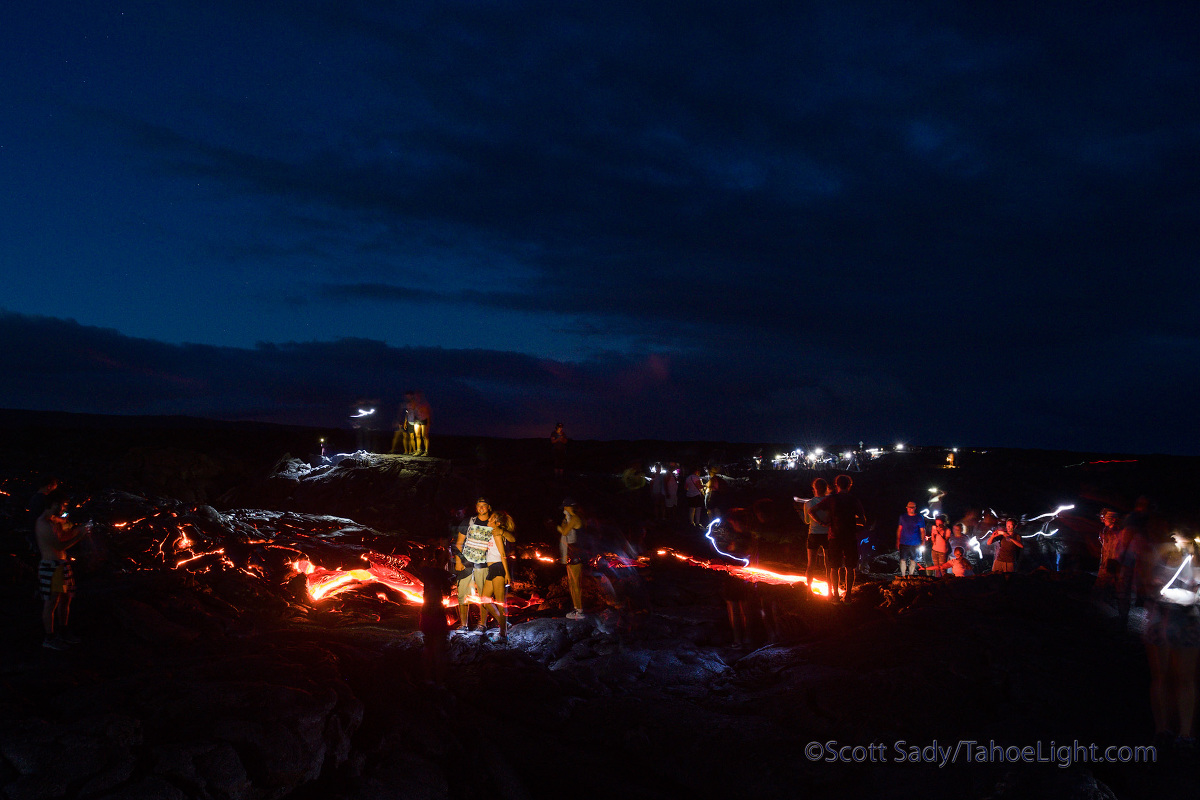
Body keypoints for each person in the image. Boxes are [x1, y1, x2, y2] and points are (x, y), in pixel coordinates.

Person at [1144, 530, 1200, 750]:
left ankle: (1181, 732)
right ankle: (1164, 730)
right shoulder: (1159, 551)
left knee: (1183, 678)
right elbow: (1148, 583)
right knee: (1161, 676)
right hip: (1163, 620)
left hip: (1185, 622)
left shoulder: (1189, 554)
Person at [35, 491, 92, 649]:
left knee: (66, 599)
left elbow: (62, 537)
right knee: (51, 602)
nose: (64, 508)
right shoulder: (43, 524)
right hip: (52, 567)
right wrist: (79, 536)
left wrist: (75, 530)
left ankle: (63, 631)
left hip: (62, 564)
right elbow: (59, 546)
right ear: (54, 504)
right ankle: (49, 638)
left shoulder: (54, 521)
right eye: (63, 505)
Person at [453, 498, 495, 631]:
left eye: (484, 505)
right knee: (462, 595)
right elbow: (458, 543)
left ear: (489, 507)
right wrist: (459, 560)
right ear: (476, 507)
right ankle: (463, 625)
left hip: (484, 565)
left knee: (484, 595)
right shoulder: (468, 522)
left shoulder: (493, 523)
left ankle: (482, 624)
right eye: (479, 505)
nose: (481, 508)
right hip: (467, 563)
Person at [826, 474, 867, 602]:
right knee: (850, 567)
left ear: (836, 485)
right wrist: (853, 520)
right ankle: (848, 596)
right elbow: (863, 520)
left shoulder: (831, 498)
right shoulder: (854, 500)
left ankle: (835, 596)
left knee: (834, 567)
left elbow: (814, 510)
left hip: (834, 536)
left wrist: (824, 522)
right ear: (849, 485)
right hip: (850, 536)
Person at [480, 510, 516, 641]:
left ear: (498, 523)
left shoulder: (497, 534)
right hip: (492, 569)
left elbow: (503, 554)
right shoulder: (491, 533)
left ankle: (503, 634)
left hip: (499, 567)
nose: (488, 520)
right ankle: (504, 624)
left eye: (491, 519)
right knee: (484, 599)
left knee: (501, 603)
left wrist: (507, 573)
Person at [419, 563, 452, 685]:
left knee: (428, 648)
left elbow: (423, 568)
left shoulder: (427, 580)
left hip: (426, 615)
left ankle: (427, 679)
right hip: (437, 617)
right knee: (439, 652)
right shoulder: (440, 585)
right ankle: (440, 682)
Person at [803, 478, 831, 596]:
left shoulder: (808, 503)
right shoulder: (831, 502)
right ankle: (830, 591)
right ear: (826, 488)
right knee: (829, 564)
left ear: (814, 489)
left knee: (811, 564)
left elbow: (806, 521)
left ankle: (809, 589)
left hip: (813, 534)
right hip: (828, 535)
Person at [558, 499, 585, 619]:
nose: (563, 510)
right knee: (571, 583)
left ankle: (580, 611)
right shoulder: (569, 519)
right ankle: (576, 609)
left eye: (564, 507)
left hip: (576, 554)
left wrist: (558, 526)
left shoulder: (575, 518)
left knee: (576, 584)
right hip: (571, 554)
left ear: (568, 507)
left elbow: (564, 531)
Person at [896, 502, 927, 578]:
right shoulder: (902, 517)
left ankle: (911, 575)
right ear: (907, 507)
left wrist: (923, 541)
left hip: (915, 543)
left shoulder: (919, 517)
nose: (911, 509)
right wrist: (898, 540)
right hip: (904, 542)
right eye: (909, 507)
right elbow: (899, 529)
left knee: (913, 560)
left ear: (915, 508)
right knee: (903, 559)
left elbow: (922, 530)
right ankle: (903, 575)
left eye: (912, 507)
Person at [410, 392, 431, 456]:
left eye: (417, 395)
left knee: (424, 435)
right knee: (417, 435)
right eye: (415, 396)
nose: (416, 397)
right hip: (417, 419)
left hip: (424, 419)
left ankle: (426, 451)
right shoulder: (414, 403)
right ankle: (419, 450)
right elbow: (412, 409)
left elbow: (428, 412)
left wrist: (429, 421)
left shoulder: (424, 403)